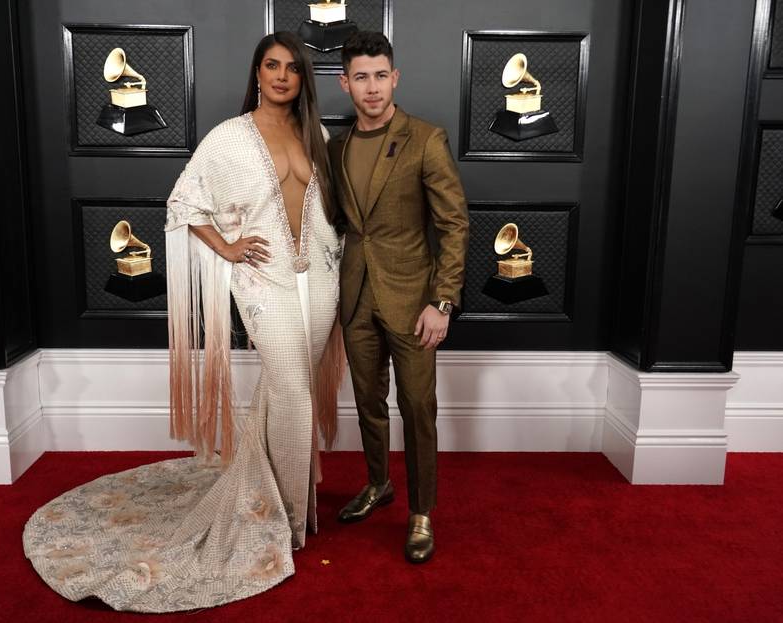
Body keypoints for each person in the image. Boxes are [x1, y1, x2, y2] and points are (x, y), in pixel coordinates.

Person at [23, 32, 344, 612]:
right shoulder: (229, 137)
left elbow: (333, 214)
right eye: (271, 66)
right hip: (262, 279)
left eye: (292, 68)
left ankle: (274, 498)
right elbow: (184, 200)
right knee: (293, 387)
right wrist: (225, 247)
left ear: (303, 79)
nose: (281, 76)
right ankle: (288, 521)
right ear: (257, 73)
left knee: (283, 388)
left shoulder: (316, 135)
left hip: (319, 278)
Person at [328, 31, 469, 564]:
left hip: (415, 303)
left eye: (380, 75)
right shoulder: (336, 146)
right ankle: (377, 484)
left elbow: (454, 225)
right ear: (345, 83)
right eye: (360, 77)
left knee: (417, 407)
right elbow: (338, 222)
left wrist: (444, 301)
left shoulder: (426, 139)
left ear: (395, 78)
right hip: (356, 295)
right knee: (368, 403)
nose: (372, 87)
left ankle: (421, 513)